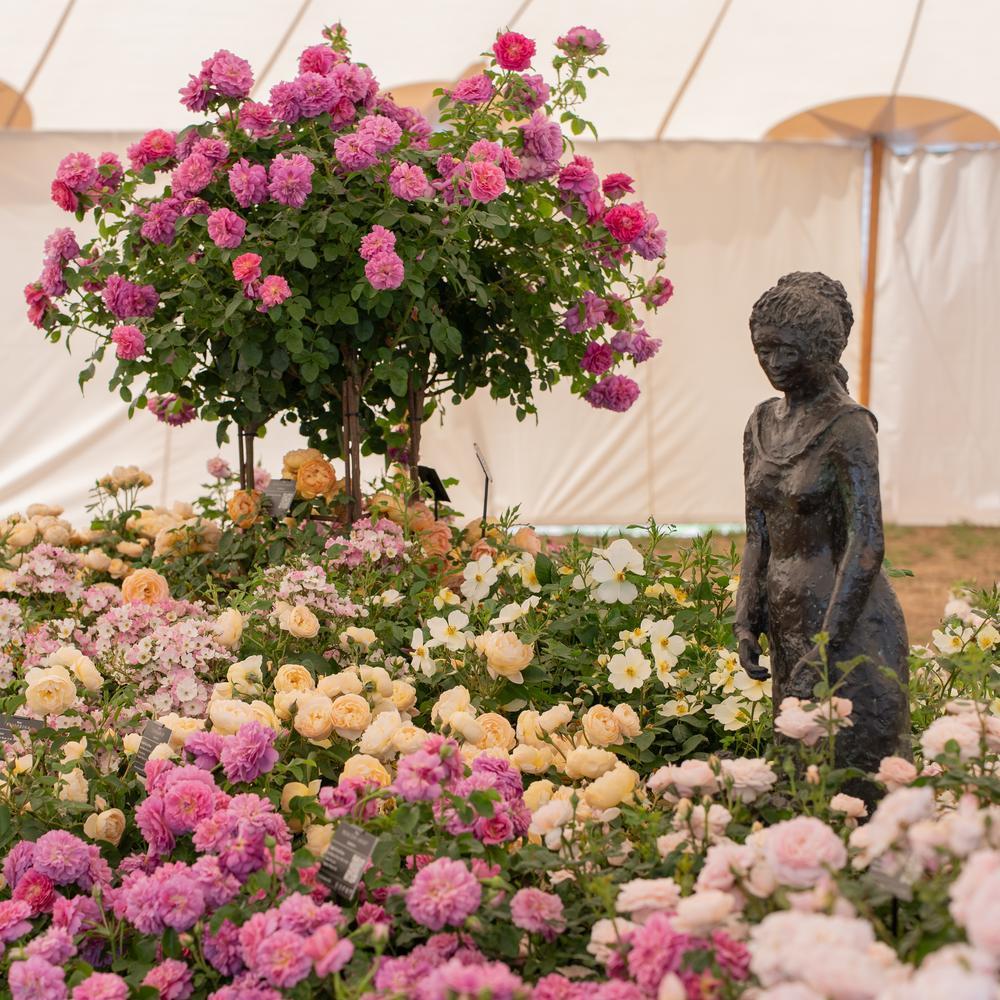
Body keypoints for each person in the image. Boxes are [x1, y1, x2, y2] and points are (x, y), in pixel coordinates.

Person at [735, 272, 910, 793]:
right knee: (799, 778)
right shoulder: (761, 423)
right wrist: (746, 616)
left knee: (852, 781)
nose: (773, 363)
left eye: (787, 351)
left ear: (821, 348)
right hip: (788, 621)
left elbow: (867, 542)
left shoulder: (849, 427)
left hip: (847, 625)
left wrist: (826, 643)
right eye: (763, 350)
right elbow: (757, 533)